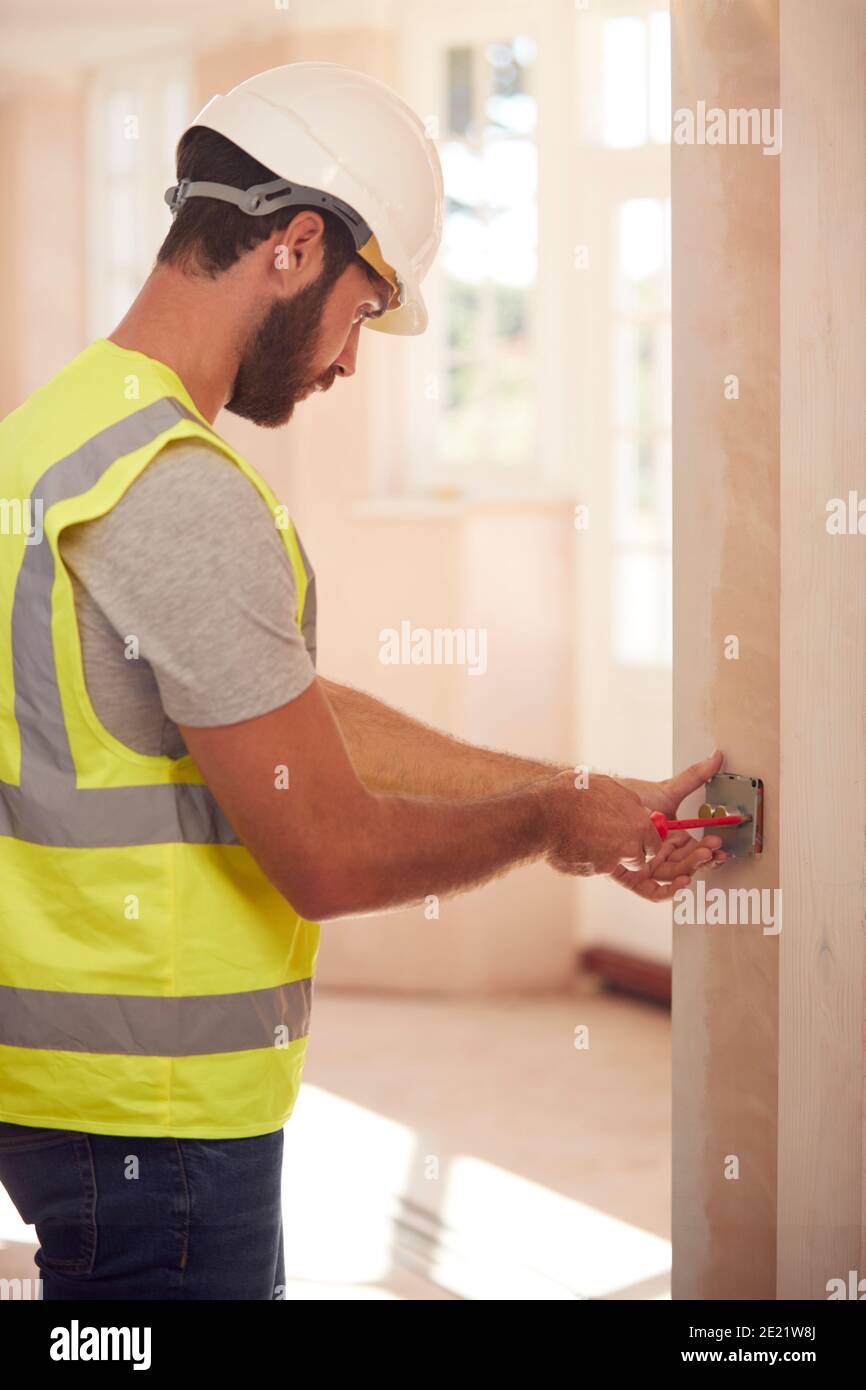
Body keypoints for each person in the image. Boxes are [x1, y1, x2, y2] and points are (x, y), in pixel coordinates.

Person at [0, 62, 725, 1300]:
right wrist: (547, 826)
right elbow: (327, 854)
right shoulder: (175, 487)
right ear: (293, 244)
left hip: (62, 1084)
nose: (349, 360)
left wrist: (572, 784)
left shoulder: (55, 433)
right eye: (365, 303)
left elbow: (279, 711)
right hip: (160, 1111)